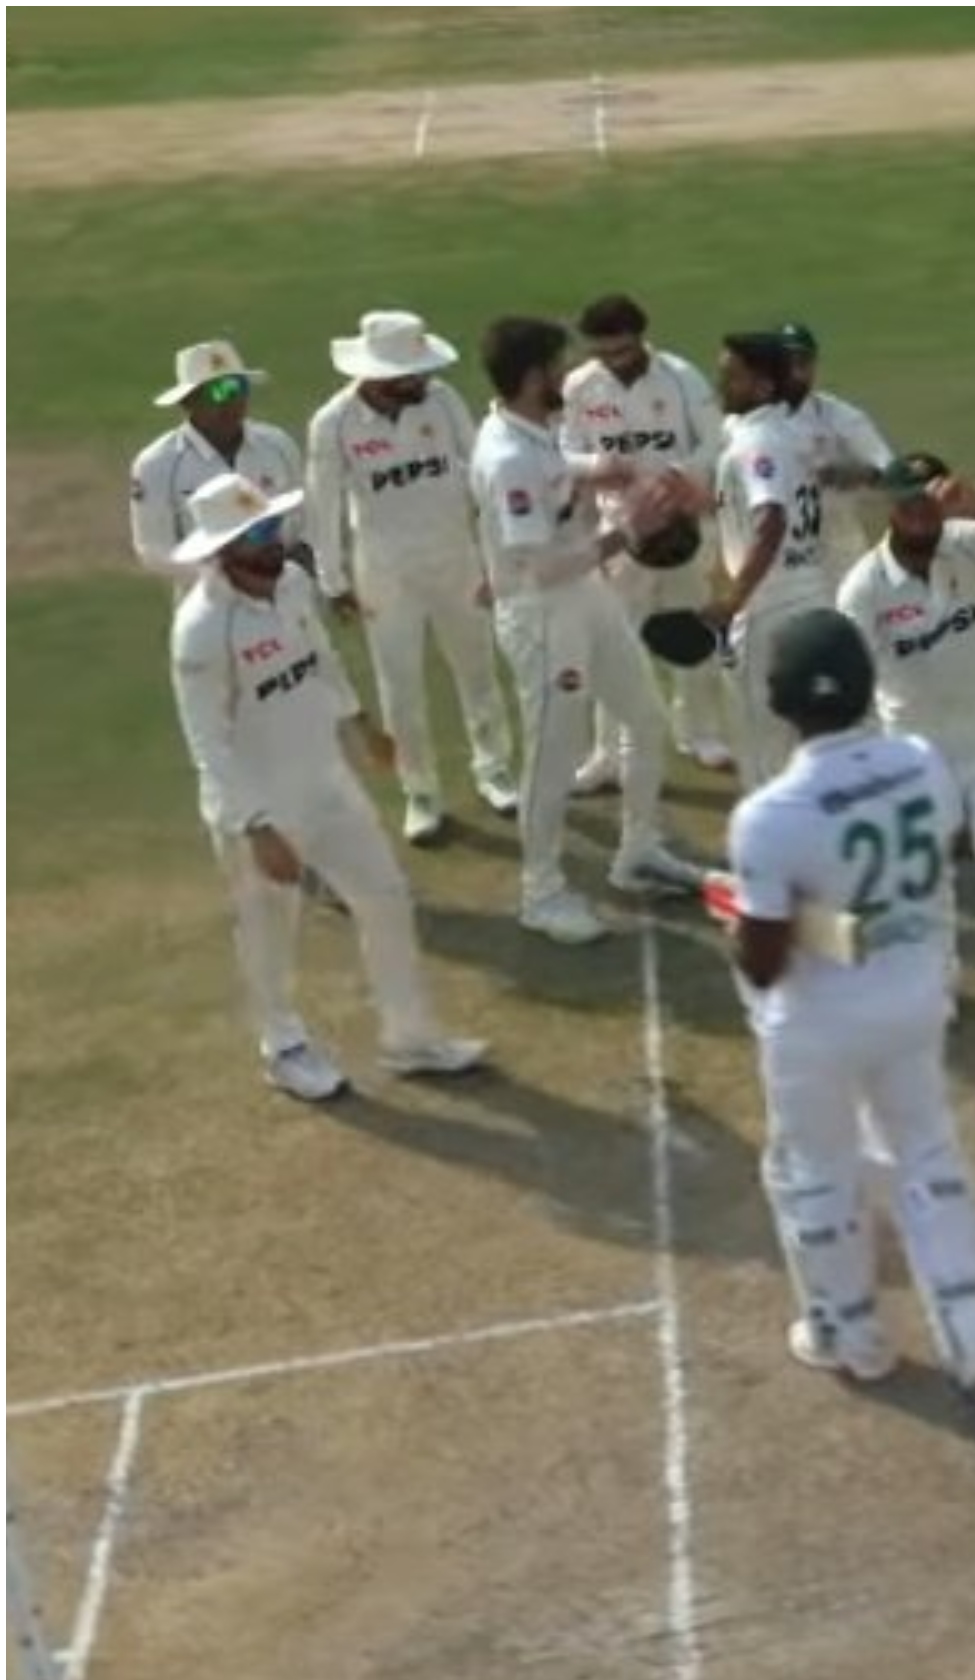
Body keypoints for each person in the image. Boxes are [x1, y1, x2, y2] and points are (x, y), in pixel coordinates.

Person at [720, 610, 975, 1400]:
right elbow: (950, 845)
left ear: (778, 702)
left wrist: (739, 920)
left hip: (817, 1028)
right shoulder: (921, 761)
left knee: (813, 1171)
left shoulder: (768, 817)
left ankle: (849, 1336)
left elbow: (762, 955)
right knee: (926, 1151)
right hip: (917, 994)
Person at [166, 473, 488, 1101]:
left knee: (387, 897)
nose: (272, 541)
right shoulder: (201, 631)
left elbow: (320, 659)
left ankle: (410, 1037)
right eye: (254, 534)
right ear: (221, 552)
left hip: (326, 781)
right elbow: (208, 742)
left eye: (270, 527)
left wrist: (360, 723)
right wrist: (257, 828)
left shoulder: (289, 585)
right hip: (260, 809)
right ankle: (282, 1045)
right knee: (270, 932)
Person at [466, 314, 705, 944]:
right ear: (530, 376)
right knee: (553, 757)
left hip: (586, 597)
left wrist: (594, 467)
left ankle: (639, 850)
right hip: (544, 617)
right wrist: (626, 534)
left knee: (645, 718)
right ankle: (540, 893)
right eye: (557, 366)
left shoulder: (531, 433)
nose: (568, 377)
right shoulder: (508, 458)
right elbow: (538, 567)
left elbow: (551, 466)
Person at [833, 453, 975, 1014]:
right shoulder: (865, 587)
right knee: (927, 865)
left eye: (927, 499)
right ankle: (937, 975)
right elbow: (852, 677)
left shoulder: (968, 540)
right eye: (906, 502)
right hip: (915, 736)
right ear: (889, 509)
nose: (918, 512)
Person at [303, 309, 518, 846]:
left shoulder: (442, 402)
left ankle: (494, 769)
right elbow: (322, 508)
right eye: (411, 376)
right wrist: (332, 582)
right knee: (400, 689)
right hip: (384, 569)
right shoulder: (334, 423)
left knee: (477, 668)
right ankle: (420, 793)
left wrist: (497, 557)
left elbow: (482, 473)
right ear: (377, 376)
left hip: (455, 556)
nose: (423, 382)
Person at [563, 292, 735, 786]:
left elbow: (715, 439)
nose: (612, 362)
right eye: (602, 352)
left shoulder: (681, 378)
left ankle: (698, 731)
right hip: (620, 532)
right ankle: (607, 754)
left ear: (641, 337)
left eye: (621, 349)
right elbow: (563, 451)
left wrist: (680, 474)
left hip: (684, 525)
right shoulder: (579, 386)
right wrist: (598, 467)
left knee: (694, 629)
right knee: (613, 641)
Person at [704, 330, 834, 788]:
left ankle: (770, 853)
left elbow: (771, 521)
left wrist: (732, 601)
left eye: (731, 377)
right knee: (811, 735)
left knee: (760, 744)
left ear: (763, 387)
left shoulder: (755, 443)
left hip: (768, 609)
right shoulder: (792, 433)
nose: (721, 385)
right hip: (811, 595)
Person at [131, 341, 304, 593]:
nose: (232, 402)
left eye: (239, 388)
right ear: (189, 402)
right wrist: (228, 577)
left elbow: (300, 520)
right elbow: (153, 550)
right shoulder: (158, 464)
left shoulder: (278, 445)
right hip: (207, 601)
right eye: (219, 392)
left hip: (281, 594)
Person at [772, 321, 894, 586]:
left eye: (802, 362)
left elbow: (892, 474)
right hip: (776, 556)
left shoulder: (839, 418)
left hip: (839, 552)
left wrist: (858, 474)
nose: (794, 371)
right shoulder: (745, 423)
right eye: (786, 362)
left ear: (814, 365)